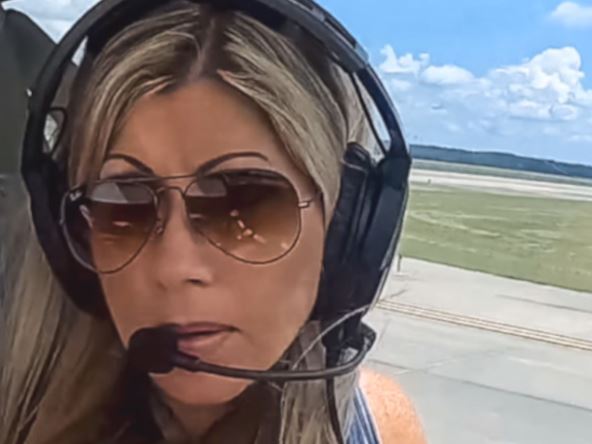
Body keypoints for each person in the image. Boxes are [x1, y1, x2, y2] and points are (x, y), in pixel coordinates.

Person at [0, 1, 426, 443]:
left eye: (243, 204)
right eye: (123, 209)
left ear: (344, 229)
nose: (175, 268)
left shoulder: (380, 426)